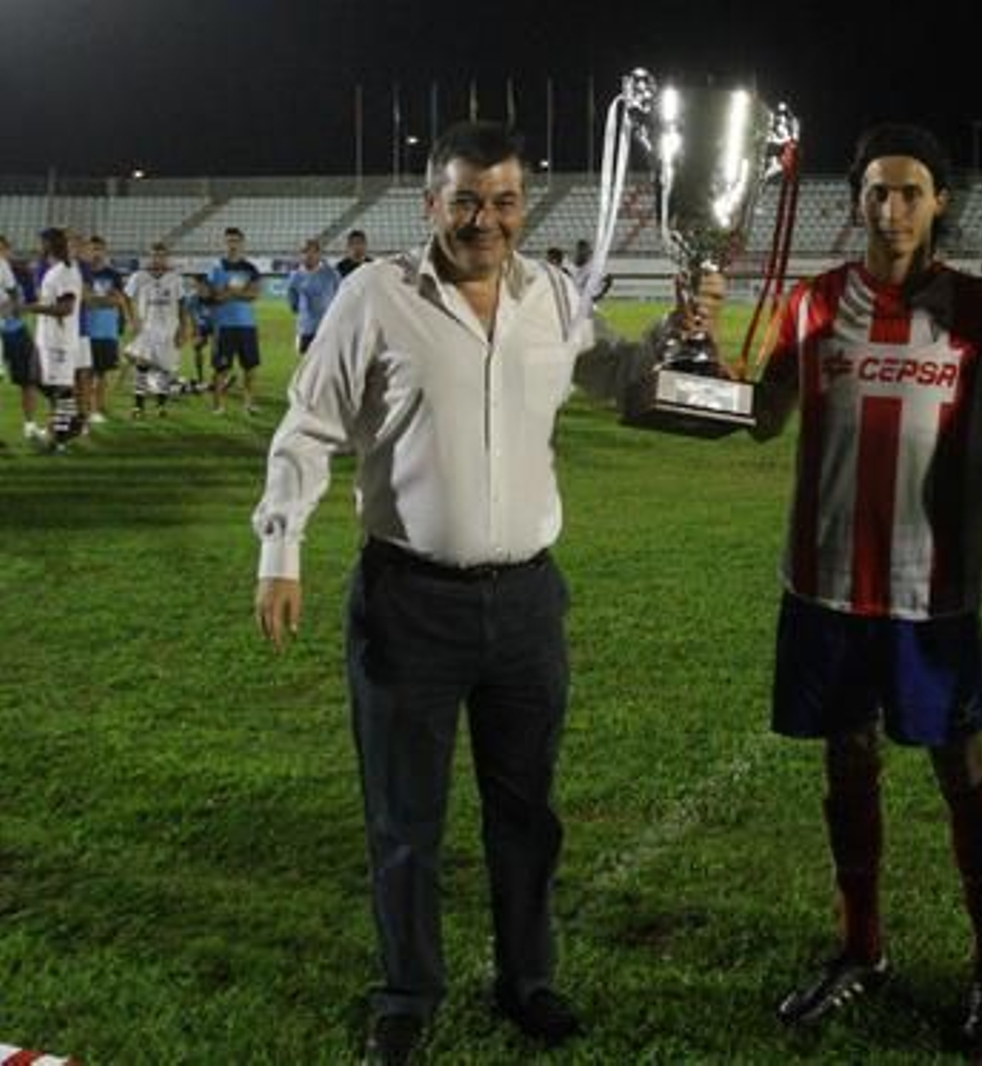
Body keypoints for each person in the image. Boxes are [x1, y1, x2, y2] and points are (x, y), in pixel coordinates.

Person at [252, 120, 688, 1065]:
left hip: (528, 606)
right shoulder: (375, 296)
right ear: (430, 206)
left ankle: (528, 979)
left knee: (526, 810)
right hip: (409, 602)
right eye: (465, 202)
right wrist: (280, 548)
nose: (484, 221)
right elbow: (308, 423)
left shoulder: (556, 297)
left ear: (523, 207)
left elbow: (617, 375)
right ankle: (407, 990)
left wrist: (679, 330)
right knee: (406, 817)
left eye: (501, 202)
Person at [751, 123, 982, 1055]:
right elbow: (763, 417)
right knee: (847, 764)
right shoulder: (813, 304)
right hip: (827, 589)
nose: (893, 208)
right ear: (857, 201)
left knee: (964, 773)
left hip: (932, 594)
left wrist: (979, 489)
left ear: (940, 201)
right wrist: (688, 352)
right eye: (878, 191)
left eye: (911, 191)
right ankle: (860, 950)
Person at [23, 227, 86, 449]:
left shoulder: (65, 272)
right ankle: (70, 425)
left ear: (51, 244)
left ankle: (62, 434)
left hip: (58, 340)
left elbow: (66, 308)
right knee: (45, 382)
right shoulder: (55, 270)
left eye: (42, 242)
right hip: (48, 338)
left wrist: (31, 308)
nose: (39, 247)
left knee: (55, 386)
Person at [124, 241, 191, 418]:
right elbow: (126, 298)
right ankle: (138, 406)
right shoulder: (139, 276)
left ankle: (161, 406)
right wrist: (132, 320)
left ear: (166, 257)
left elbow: (183, 305)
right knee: (141, 367)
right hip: (146, 330)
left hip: (169, 331)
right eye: (155, 255)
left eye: (161, 255)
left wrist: (183, 329)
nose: (158, 259)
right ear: (150, 256)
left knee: (164, 370)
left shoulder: (175, 278)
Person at [205, 226, 262, 414]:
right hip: (224, 325)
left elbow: (254, 294)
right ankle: (219, 405)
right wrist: (240, 292)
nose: (232, 245)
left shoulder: (250, 268)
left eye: (236, 241)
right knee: (221, 368)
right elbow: (216, 297)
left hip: (247, 325)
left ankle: (249, 403)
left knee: (250, 368)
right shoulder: (216, 268)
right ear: (224, 243)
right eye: (229, 241)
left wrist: (231, 292)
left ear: (242, 243)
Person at [80, 235, 130, 422]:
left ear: (105, 251)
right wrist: (105, 300)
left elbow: (118, 300)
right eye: (92, 249)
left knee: (102, 374)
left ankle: (98, 409)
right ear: (87, 251)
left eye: (99, 249)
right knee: (86, 373)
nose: (96, 253)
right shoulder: (83, 273)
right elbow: (87, 301)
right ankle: (85, 409)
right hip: (86, 331)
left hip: (107, 331)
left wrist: (98, 300)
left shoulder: (114, 275)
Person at [0, 235, 45, 441]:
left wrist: (12, 310)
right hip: (10, 329)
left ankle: (29, 424)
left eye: (3, 249)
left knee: (29, 379)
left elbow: (15, 297)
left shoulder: (7, 267)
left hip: (15, 330)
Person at [284, 237, 341, 353]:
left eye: (313, 251)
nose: (309, 255)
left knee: (328, 365)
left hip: (328, 329)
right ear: (300, 255)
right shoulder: (295, 277)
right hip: (305, 330)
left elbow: (340, 299)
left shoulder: (332, 274)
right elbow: (293, 303)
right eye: (305, 251)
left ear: (319, 254)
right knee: (306, 366)